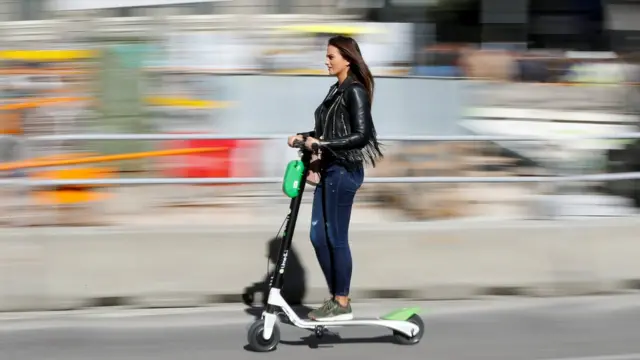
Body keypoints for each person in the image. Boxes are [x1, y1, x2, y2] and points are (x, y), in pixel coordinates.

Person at [287, 35, 383, 321]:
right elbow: (326, 132)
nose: (326, 61)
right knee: (318, 235)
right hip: (330, 170)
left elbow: (361, 135)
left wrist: (322, 146)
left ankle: (341, 300)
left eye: (331, 56)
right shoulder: (335, 91)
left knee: (335, 237)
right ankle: (336, 297)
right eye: (326, 56)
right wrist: (303, 137)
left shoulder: (355, 91)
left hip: (345, 171)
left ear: (347, 59)